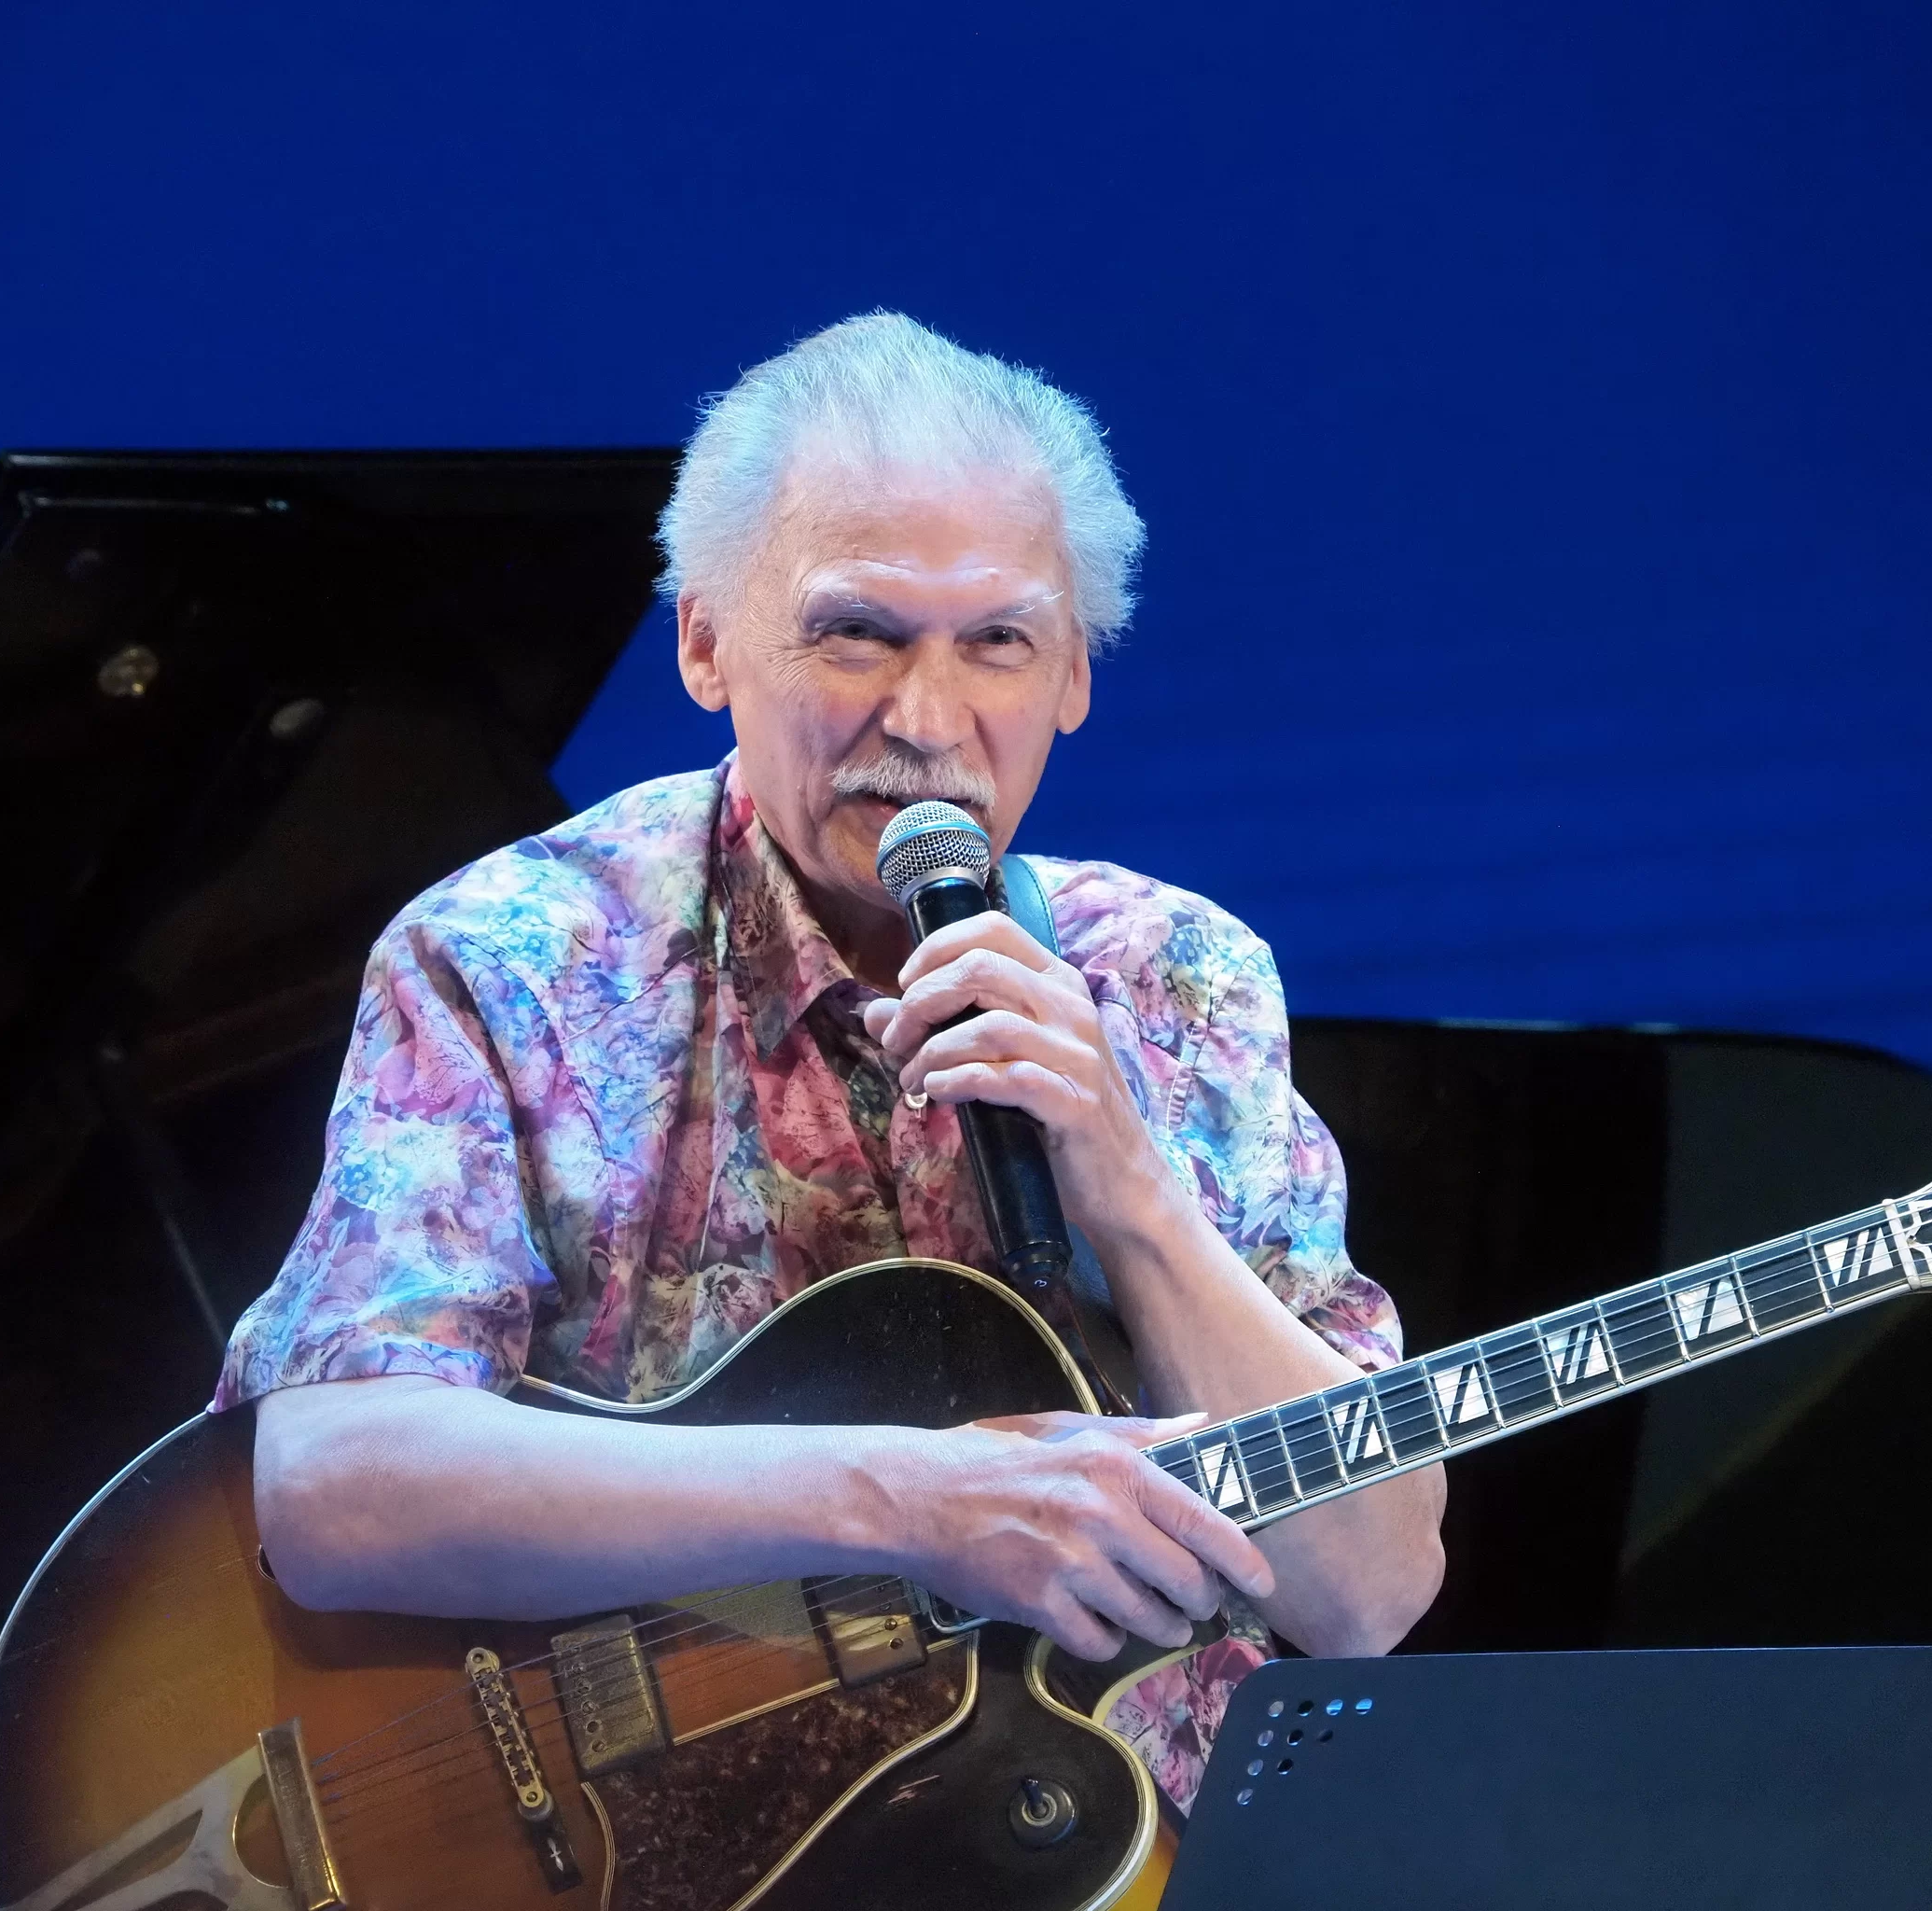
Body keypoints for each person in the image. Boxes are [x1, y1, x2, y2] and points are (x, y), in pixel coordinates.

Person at [217, 311, 1444, 1816]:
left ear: (1073, 674)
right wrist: (908, 1502)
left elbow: (1367, 1590)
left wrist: (1133, 1194)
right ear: (704, 643)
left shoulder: (1178, 975)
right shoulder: (516, 956)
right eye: (856, 631)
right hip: (689, 1883)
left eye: (997, 642)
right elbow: (333, 1487)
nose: (924, 722)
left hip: (1122, 1888)